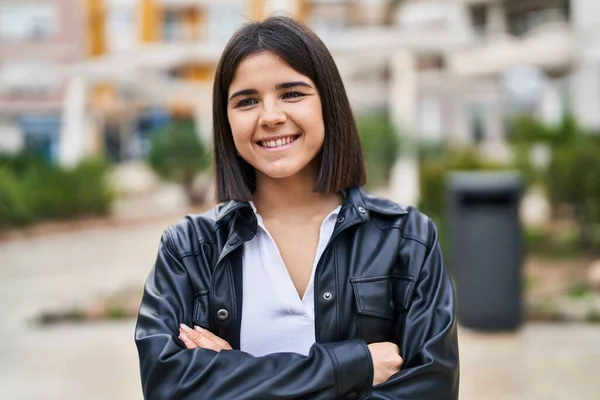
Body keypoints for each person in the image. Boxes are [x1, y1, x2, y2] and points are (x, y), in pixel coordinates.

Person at [135, 15, 459, 400]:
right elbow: (167, 386)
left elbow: (431, 389)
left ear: (328, 104)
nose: (270, 116)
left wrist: (232, 374)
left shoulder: (408, 239)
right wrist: (350, 367)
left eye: (292, 93)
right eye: (247, 101)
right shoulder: (187, 250)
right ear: (226, 120)